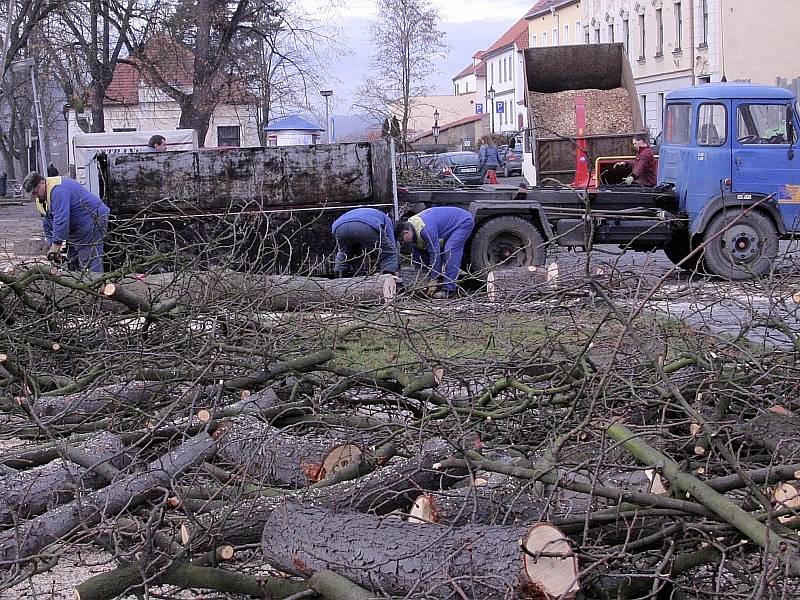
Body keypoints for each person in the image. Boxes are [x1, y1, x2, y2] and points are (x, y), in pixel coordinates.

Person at [22, 171, 110, 273]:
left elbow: (61, 220)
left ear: (42, 182)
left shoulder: (58, 190)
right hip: (76, 227)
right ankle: (76, 281)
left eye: (35, 192)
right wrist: (52, 244)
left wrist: (56, 245)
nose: (35, 196)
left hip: (92, 220)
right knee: (72, 259)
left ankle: (96, 283)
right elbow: (46, 223)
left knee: (89, 258)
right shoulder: (41, 199)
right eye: (33, 194)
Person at [395, 206, 474, 299]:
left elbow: (435, 254)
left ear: (406, 232)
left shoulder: (425, 229)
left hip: (462, 221)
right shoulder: (412, 232)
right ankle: (440, 283)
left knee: (450, 249)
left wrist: (434, 279)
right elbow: (419, 259)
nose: (402, 243)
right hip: (448, 225)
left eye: (401, 240)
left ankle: (449, 290)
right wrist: (422, 279)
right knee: (430, 254)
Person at [331, 207, 399, 277]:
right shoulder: (387, 219)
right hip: (364, 224)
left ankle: (340, 277)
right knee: (389, 254)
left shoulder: (369, 213)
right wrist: (395, 267)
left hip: (338, 226)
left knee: (345, 252)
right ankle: (389, 277)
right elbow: (391, 244)